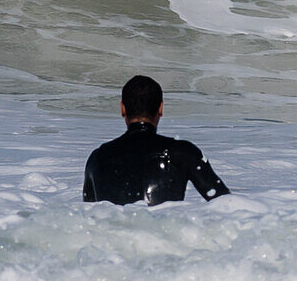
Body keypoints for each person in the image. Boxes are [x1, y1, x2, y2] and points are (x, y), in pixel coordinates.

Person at [83, 75, 230, 207]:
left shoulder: (97, 158)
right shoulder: (181, 152)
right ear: (160, 108)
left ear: (122, 109)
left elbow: (88, 213)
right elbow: (227, 205)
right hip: (162, 236)